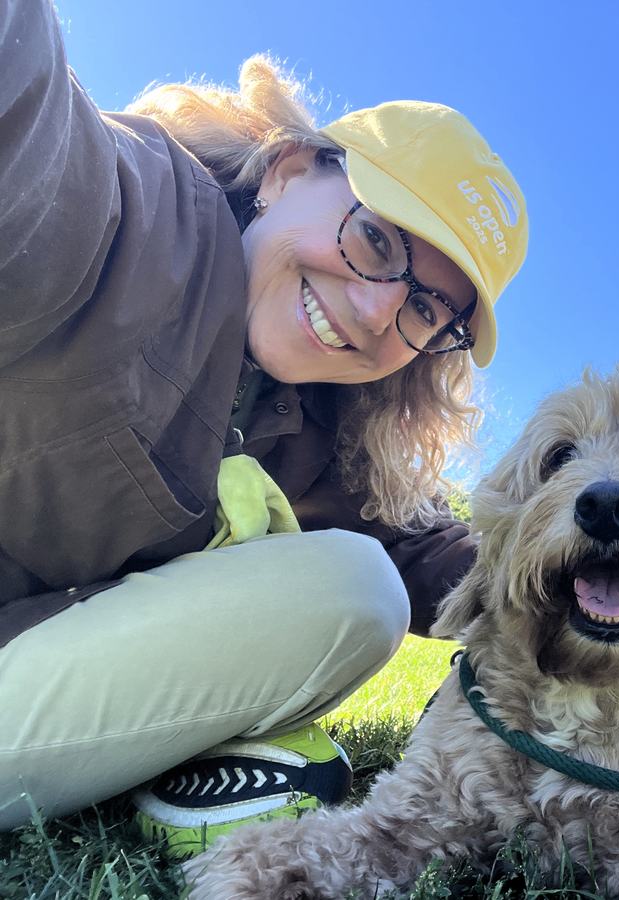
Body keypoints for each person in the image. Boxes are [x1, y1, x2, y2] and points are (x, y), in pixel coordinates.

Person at [0, 0, 528, 858]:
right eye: (377, 238)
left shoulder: (328, 425)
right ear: (284, 171)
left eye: (429, 307)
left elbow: (424, 547)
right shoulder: (130, 214)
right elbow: (30, 131)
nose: (374, 309)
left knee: (358, 588)